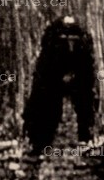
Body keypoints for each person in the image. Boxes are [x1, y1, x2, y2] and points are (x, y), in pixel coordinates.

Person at [22, 15, 97, 156]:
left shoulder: (82, 41)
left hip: (79, 80)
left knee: (84, 104)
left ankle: (84, 138)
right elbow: (46, 70)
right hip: (52, 80)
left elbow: (87, 70)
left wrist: (74, 75)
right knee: (46, 106)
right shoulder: (51, 42)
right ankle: (42, 142)